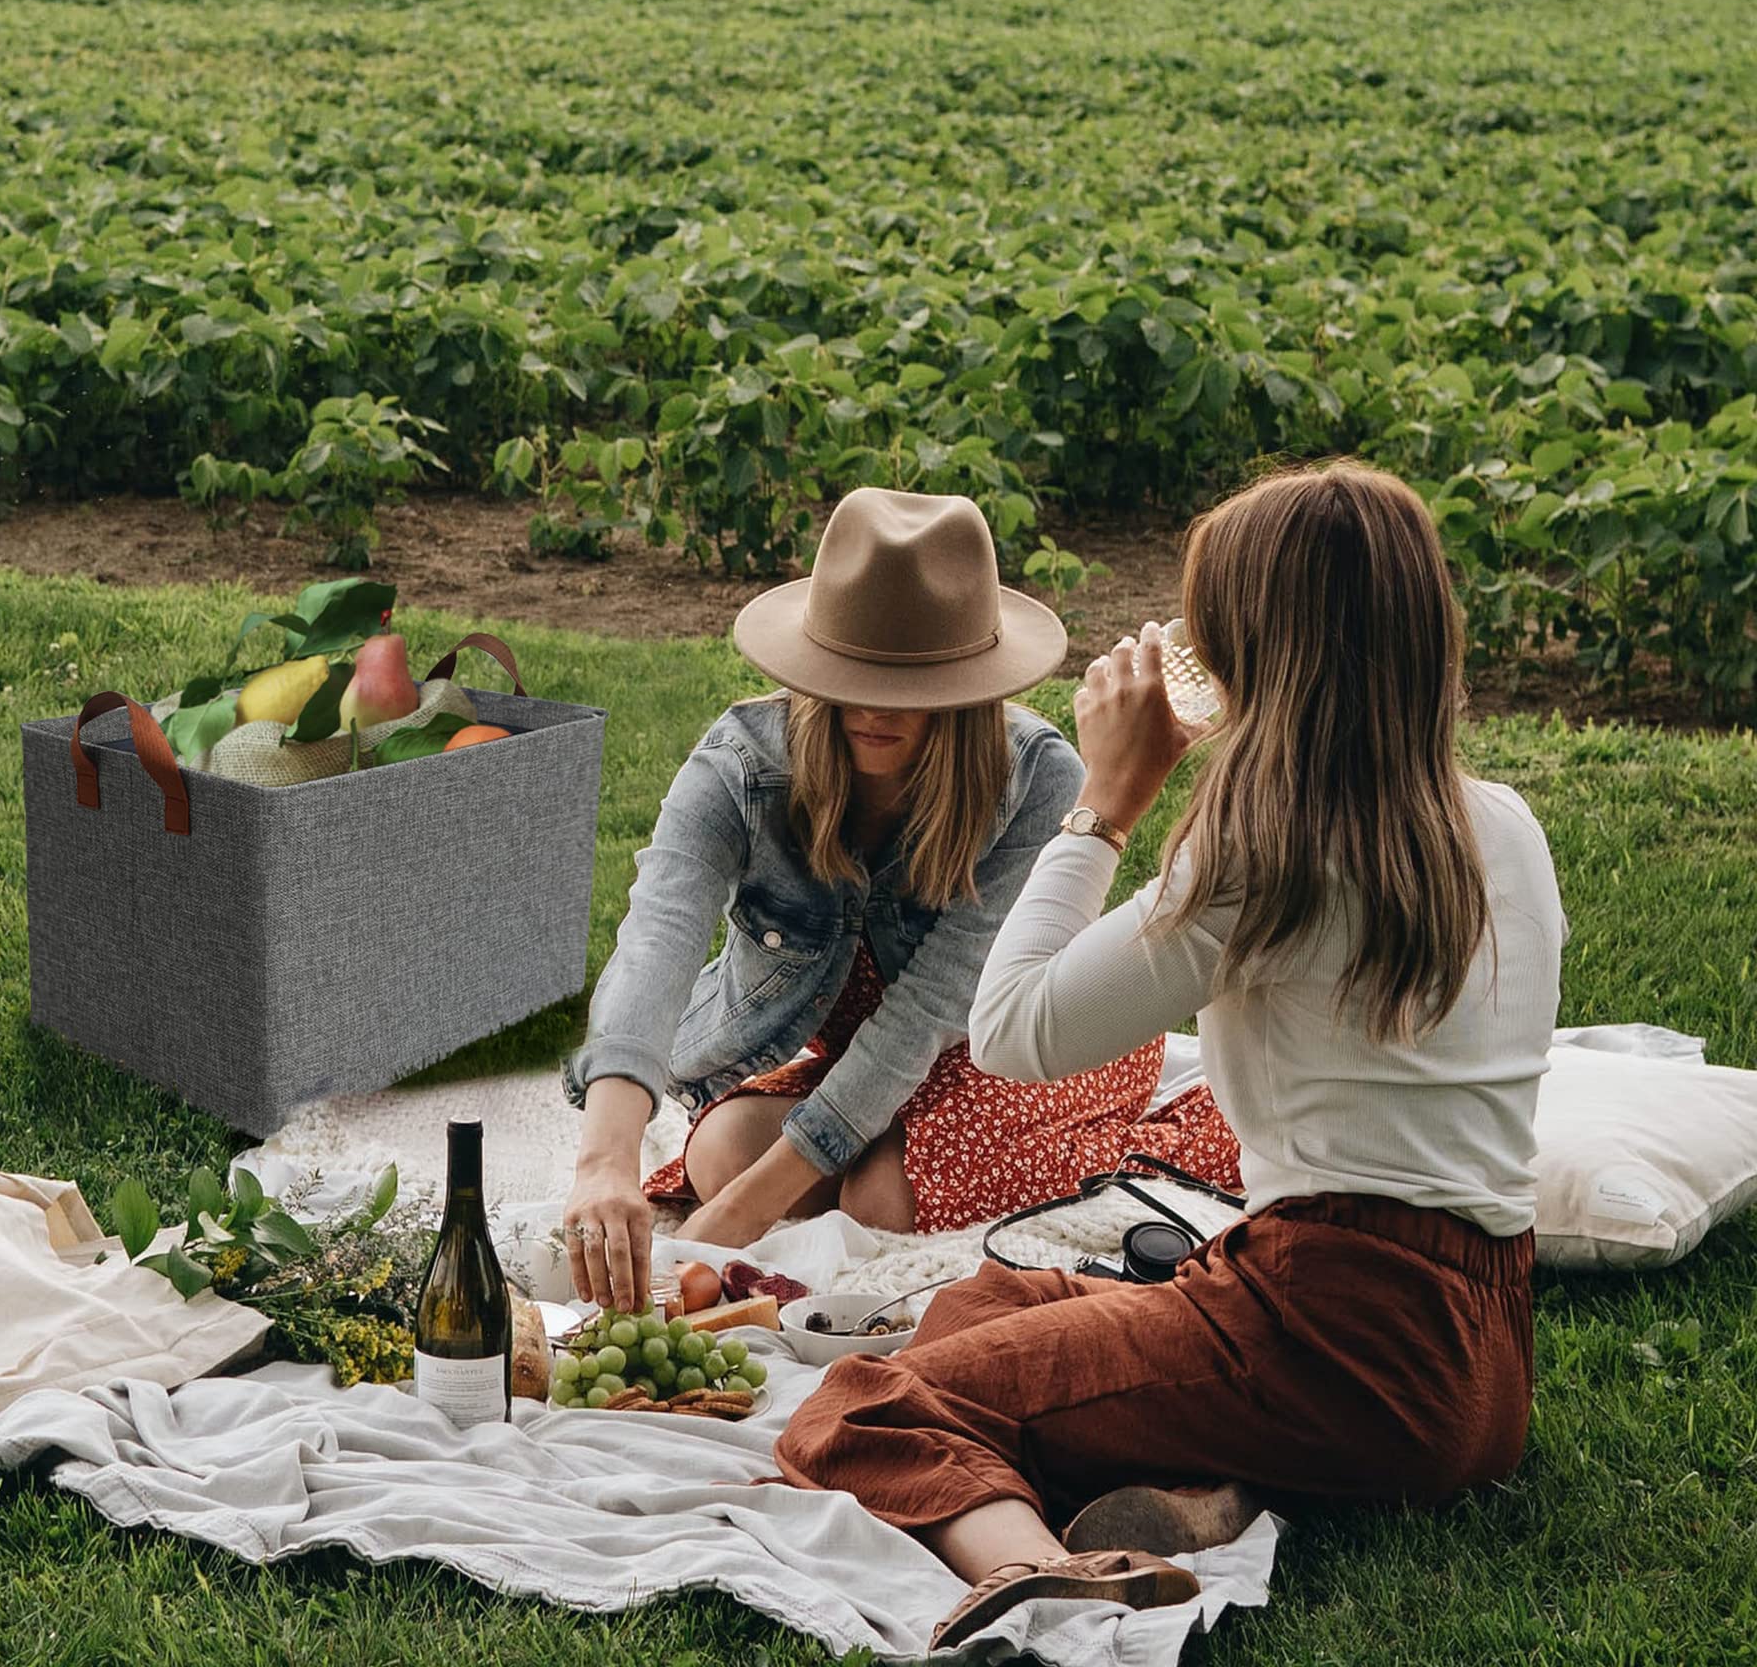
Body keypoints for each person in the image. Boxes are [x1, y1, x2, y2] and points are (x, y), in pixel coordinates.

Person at [776, 462, 1567, 1650]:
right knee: (981, 1302)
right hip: (1482, 1355)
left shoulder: (1259, 857)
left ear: (1253, 655)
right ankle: (1218, 1488)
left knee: (872, 1400)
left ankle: (1045, 1571)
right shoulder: (1501, 824)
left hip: (1326, 1330)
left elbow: (1010, 1029)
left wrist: (1104, 798)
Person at [560, 486, 1243, 1312]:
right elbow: (656, 943)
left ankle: (1135, 1143)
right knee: (720, 1154)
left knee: (879, 1198)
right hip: (864, 1060)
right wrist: (605, 1158)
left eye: (913, 687)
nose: (876, 707)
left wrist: (740, 1218)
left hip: (1007, 1037)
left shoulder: (1033, 779)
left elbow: (928, 1014)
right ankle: (878, 1143)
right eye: (850, 675)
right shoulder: (740, 769)